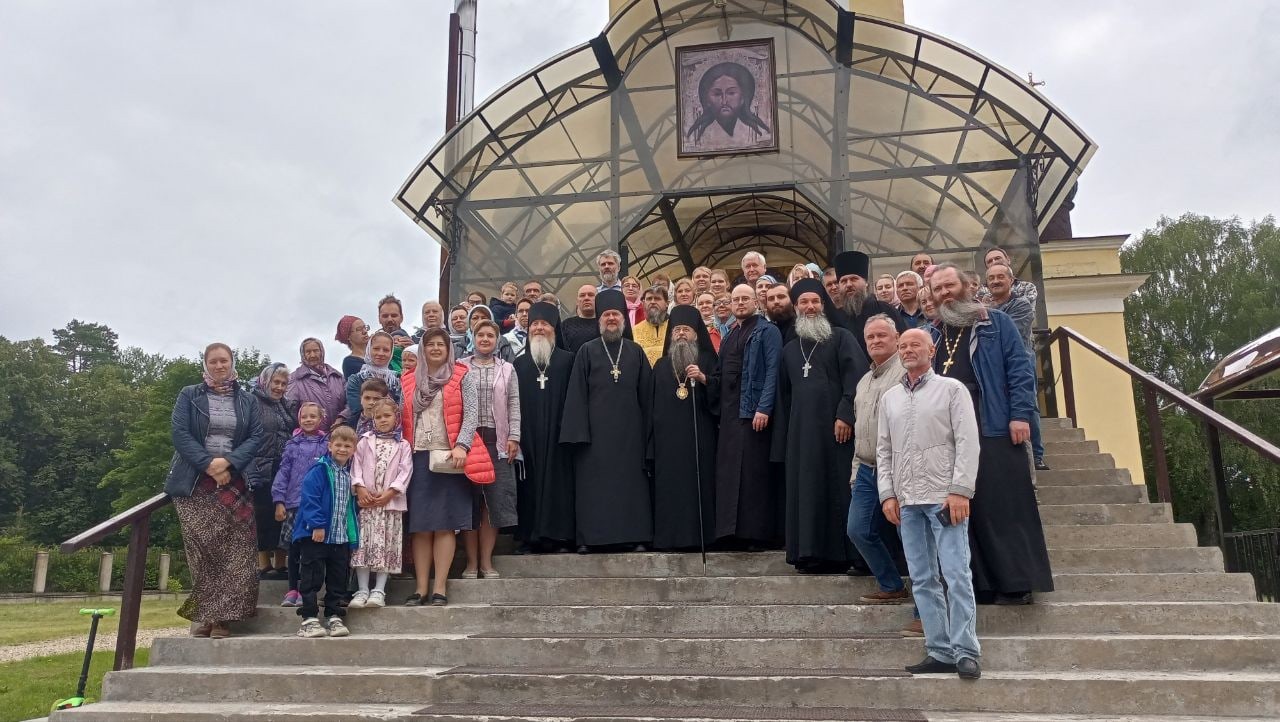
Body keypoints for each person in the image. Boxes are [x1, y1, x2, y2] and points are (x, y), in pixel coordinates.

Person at [929, 263, 1053, 605]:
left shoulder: (995, 323)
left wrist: (1020, 415)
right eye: (937, 289)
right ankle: (981, 584)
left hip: (994, 424)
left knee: (1004, 508)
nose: (943, 294)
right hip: (953, 434)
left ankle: (1017, 583)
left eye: (948, 286)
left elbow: (1020, 369)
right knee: (970, 511)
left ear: (968, 286)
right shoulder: (936, 332)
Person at [878, 328, 981, 679]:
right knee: (922, 578)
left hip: (943, 498)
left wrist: (961, 489)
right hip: (907, 501)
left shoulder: (951, 390)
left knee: (955, 574)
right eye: (903, 345)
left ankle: (966, 650)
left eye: (914, 345)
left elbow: (967, 441)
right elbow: (884, 450)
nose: (908, 350)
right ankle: (939, 651)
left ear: (931, 350)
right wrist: (887, 494)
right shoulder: (890, 397)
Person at [165, 342, 264, 639]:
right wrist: (208, 465)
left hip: (235, 481)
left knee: (236, 552)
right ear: (206, 364)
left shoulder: (247, 400)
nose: (220, 366)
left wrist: (228, 464)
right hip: (196, 481)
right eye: (214, 361)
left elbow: (256, 436)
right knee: (203, 552)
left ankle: (224, 620)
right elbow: (179, 433)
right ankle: (206, 615)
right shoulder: (189, 394)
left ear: (232, 363)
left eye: (225, 361)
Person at [771, 279, 866, 573]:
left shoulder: (841, 338)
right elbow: (783, 398)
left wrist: (845, 415)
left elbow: (858, 379)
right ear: (796, 308)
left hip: (837, 431)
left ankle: (848, 555)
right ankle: (811, 554)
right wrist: (785, 440)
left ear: (823, 306)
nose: (810, 307)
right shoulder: (789, 350)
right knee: (807, 490)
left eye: (815, 302)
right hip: (802, 435)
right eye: (804, 303)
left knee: (838, 489)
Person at [405, 329, 494, 607]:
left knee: (444, 526)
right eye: (429, 344)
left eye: (440, 344)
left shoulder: (461, 374)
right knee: (420, 527)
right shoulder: (407, 380)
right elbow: (401, 417)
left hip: (449, 458)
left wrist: (462, 446)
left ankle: (440, 588)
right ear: (422, 348)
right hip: (417, 457)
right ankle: (420, 588)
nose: (434, 349)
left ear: (448, 348)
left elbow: (471, 414)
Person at [561, 289, 653, 552]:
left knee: (631, 487)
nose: (611, 319)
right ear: (600, 319)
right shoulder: (586, 352)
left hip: (630, 436)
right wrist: (579, 436)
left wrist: (648, 434)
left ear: (623, 319)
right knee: (594, 489)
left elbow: (646, 395)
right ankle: (590, 539)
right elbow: (576, 395)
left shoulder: (635, 352)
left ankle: (635, 537)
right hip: (594, 438)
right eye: (607, 315)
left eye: (615, 314)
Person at [713, 284, 783, 548]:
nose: (740, 303)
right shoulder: (731, 335)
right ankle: (731, 534)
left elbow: (772, 371)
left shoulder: (768, 331)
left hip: (753, 412)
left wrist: (763, 408)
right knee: (731, 475)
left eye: (745, 299)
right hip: (730, 416)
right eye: (736, 299)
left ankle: (755, 535)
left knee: (753, 476)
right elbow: (721, 375)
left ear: (756, 301)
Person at [848, 315, 909, 604]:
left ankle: (926, 611)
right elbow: (861, 428)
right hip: (866, 468)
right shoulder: (863, 381)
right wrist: (855, 471)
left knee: (909, 538)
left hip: (899, 468)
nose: (875, 341)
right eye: (870, 337)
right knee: (858, 530)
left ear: (896, 338)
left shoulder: (906, 373)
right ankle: (891, 584)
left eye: (882, 335)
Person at [648, 305, 719, 550]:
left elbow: (723, 395)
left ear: (696, 334)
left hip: (701, 438)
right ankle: (669, 539)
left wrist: (704, 379)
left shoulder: (709, 360)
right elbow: (651, 404)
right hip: (667, 442)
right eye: (676, 329)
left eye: (686, 330)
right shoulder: (659, 365)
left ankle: (703, 538)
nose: (680, 334)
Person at [458, 320, 521, 578]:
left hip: (498, 438)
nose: (485, 339)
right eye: (480, 335)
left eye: (490, 335)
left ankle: (486, 562)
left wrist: (514, 436)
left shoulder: (507, 368)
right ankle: (471, 563)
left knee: (493, 502)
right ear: (474, 338)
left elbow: (514, 403)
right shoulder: (460, 366)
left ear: (497, 340)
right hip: (468, 438)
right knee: (469, 501)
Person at [513, 302, 577, 552]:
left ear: (554, 329)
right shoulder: (519, 365)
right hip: (528, 435)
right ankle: (530, 537)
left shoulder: (568, 360)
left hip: (560, 435)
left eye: (544, 324)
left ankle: (560, 537)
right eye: (535, 324)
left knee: (558, 484)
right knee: (529, 484)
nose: (539, 328)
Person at [293, 425, 358, 638]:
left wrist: (352, 535)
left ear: (354, 449)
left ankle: (333, 615)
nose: (342, 449)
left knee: (338, 577)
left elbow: (349, 506)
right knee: (312, 576)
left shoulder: (349, 474)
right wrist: (317, 525)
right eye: (338, 445)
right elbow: (310, 499)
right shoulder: (319, 470)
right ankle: (309, 618)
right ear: (329, 446)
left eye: (347, 446)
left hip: (339, 536)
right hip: (316, 534)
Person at [348, 399, 412, 609]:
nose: (383, 420)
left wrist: (390, 492)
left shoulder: (402, 445)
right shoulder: (364, 441)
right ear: (372, 419)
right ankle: (362, 589)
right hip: (368, 505)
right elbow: (355, 467)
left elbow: (405, 471)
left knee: (385, 545)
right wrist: (360, 488)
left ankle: (379, 590)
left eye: (387, 416)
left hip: (389, 505)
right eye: (378, 417)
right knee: (363, 546)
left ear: (396, 417)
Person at [984, 263, 1048, 471]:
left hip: (1018, 362)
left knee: (1027, 408)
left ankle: (1036, 456)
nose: (995, 281)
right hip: (995, 365)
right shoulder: (985, 307)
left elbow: (1012, 335)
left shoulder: (1021, 304)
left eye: (1000, 277)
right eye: (991, 278)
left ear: (1011, 281)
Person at [271, 401, 329, 608]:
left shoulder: (326, 444)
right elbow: (283, 473)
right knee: (293, 551)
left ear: (321, 419)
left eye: (313, 416)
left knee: (313, 552)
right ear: (299, 419)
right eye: (304, 416)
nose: (308, 420)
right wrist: (279, 500)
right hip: (294, 505)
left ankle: (309, 590)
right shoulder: (292, 444)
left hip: (316, 507)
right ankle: (292, 590)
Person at [247, 363, 298, 580]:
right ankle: (263, 564)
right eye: (275, 382)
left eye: (283, 383)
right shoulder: (252, 402)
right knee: (262, 514)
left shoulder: (285, 405)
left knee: (282, 513)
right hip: (260, 464)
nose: (279, 387)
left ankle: (280, 562)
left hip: (283, 465)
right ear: (265, 381)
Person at [830, 250, 907, 357]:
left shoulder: (885, 309)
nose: (848, 284)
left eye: (854, 279)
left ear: (866, 283)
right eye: (843, 281)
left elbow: (904, 343)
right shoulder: (836, 318)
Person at [685, 61, 772, 147]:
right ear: (707, 100)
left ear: (743, 98)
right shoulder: (703, 134)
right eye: (717, 94)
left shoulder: (753, 133)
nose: (724, 101)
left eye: (731, 93)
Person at [286, 337, 346, 432]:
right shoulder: (294, 379)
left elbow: (349, 403)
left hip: (339, 436)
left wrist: (342, 418)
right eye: (308, 352)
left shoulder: (337, 377)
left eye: (316, 351)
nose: (312, 355)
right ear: (303, 355)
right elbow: (290, 412)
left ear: (322, 352)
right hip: (311, 439)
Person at [344, 332, 402, 429]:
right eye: (376, 349)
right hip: (363, 432)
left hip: (393, 432)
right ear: (368, 349)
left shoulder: (396, 380)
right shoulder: (356, 380)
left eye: (386, 350)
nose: (380, 353)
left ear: (391, 353)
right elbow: (357, 409)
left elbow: (399, 409)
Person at [633, 285, 670, 367]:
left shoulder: (675, 327)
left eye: (657, 298)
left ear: (667, 303)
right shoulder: (634, 330)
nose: (653, 302)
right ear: (643, 303)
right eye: (649, 299)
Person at [559, 284, 601, 354]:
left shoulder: (604, 323)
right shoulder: (566, 324)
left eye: (590, 295)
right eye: (582, 295)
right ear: (577, 301)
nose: (586, 298)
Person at [377, 294, 414, 371]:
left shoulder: (414, 343)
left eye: (394, 315)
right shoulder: (371, 347)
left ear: (401, 318)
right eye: (385, 316)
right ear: (379, 319)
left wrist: (414, 351)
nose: (390, 319)